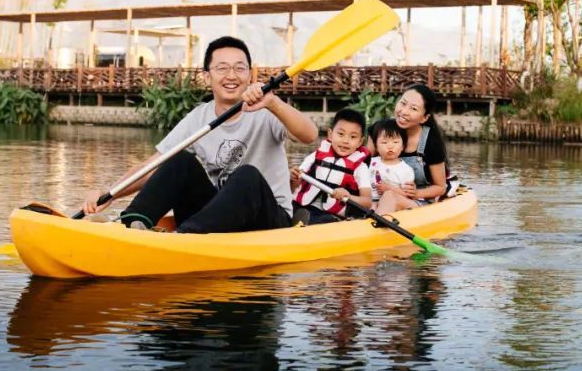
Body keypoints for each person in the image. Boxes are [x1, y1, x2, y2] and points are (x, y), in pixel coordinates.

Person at [81, 36, 318, 233]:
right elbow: (153, 165)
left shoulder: (267, 109)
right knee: (178, 161)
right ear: (207, 76)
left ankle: (184, 238)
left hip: (267, 219)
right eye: (222, 68)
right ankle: (134, 224)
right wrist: (110, 193)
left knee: (247, 175)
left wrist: (273, 103)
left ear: (250, 75)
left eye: (239, 68)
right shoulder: (198, 117)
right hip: (218, 218)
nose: (231, 76)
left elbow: (310, 135)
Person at [371, 84, 451, 214]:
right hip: (375, 195)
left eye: (413, 109)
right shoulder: (379, 130)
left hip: (417, 201)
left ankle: (372, 229)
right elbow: (364, 163)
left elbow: (440, 187)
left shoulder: (431, 142)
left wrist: (416, 192)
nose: (404, 111)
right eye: (403, 103)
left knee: (390, 196)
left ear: (424, 117)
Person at [291, 108, 372, 225]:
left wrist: (349, 197)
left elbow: (367, 202)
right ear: (330, 135)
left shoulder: (361, 168)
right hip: (300, 206)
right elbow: (294, 186)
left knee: (324, 221)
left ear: (360, 142)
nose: (345, 141)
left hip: (332, 216)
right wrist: (293, 178)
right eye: (341, 134)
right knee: (287, 208)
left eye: (353, 137)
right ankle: (296, 221)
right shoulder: (316, 155)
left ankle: (301, 224)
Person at [366, 119, 416, 214]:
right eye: (384, 142)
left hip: (391, 207)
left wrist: (389, 188)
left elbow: (407, 195)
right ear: (376, 146)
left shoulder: (406, 170)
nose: (390, 146)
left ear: (402, 146)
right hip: (368, 203)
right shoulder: (370, 163)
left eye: (395, 142)